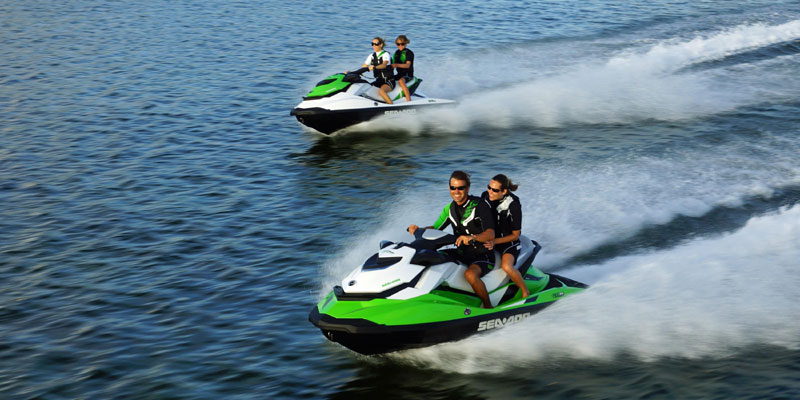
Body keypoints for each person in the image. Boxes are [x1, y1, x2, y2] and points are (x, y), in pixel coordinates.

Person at [408, 171, 496, 308]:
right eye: (453, 187)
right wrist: (418, 229)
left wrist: (472, 237)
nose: (456, 191)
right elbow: (435, 228)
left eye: (460, 188)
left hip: (482, 253)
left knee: (471, 275)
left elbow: (490, 233)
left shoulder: (479, 205)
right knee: (427, 258)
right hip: (462, 252)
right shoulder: (449, 209)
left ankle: (488, 307)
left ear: (467, 188)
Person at [482, 174, 529, 298]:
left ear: (504, 191)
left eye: (495, 190)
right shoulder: (485, 197)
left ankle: (525, 292)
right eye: (489, 187)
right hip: (490, 239)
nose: (490, 192)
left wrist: (494, 242)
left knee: (506, 266)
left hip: (508, 242)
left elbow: (515, 235)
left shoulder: (513, 205)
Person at [360, 37, 394, 104]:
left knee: (381, 91)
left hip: (388, 80)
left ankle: (391, 106)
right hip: (378, 81)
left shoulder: (386, 54)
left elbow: (384, 65)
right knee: (364, 89)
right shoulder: (371, 56)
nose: (374, 45)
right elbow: (364, 66)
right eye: (372, 44)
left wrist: (374, 67)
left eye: (376, 44)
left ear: (381, 45)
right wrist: (351, 72)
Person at [391, 35, 415, 102]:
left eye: (402, 44)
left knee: (401, 81)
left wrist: (396, 65)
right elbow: (392, 66)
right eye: (398, 44)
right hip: (399, 74)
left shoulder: (409, 53)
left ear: (406, 43)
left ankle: (409, 100)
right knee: (386, 79)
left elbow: (407, 65)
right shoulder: (396, 53)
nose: (400, 45)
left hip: (408, 75)